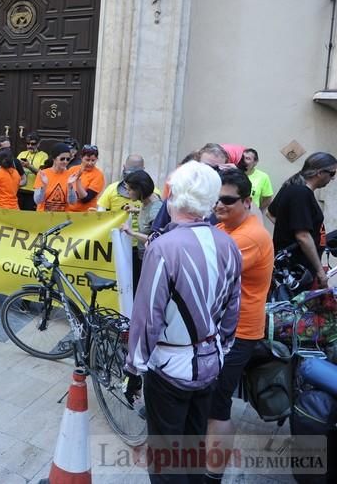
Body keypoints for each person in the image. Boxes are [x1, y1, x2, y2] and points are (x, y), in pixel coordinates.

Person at [124, 161, 241, 484]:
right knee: (193, 446)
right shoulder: (228, 244)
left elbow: (147, 317)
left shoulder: (163, 248)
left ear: (172, 194)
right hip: (210, 361)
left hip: (170, 365)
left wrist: (134, 368)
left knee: (165, 456)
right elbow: (233, 309)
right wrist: (221, 349)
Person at [205, 169, 274, 484]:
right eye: (216, 199)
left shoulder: (249, 236)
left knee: (217, 405)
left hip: (238, 332)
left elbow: (207, 272)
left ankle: (212, 475)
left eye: (227, 200)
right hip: (222, 328)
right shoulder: (228, 225)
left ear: (247, 201)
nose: (219, 205)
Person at [267, 152, 337, 288]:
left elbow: (271, 213)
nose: (333, 179)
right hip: (297, 269)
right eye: (332, 174)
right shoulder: (301, 194)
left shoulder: (290, 188)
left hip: (291, 266)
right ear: (320, 173)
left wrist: (287, 231)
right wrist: (320, 271)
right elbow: (303, 236)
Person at [151, 143, 233, 233]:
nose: (211, 173)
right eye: (206, 167)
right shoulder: (177, 197)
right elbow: (156, 232)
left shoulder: (228, 202)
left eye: (217, 169)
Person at [119, 170, 162, 290]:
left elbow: (156, 239)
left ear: (139, 190)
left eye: (129, 190)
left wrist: (131, 233)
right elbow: (147, 215)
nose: (127, 193)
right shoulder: (149, 199)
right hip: (142, 255)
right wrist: (136, 210)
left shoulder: (155, 210)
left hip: (149, 260)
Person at [34, 143, 76, 212]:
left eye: (68, 159)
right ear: (54, 158)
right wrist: (44, 186)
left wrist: (70, 186)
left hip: (62, 218)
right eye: (62, 159)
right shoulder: (43, 174)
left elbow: (72, 202)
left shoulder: (70, 175)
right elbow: (37, 201)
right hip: (43, 217)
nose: (65, 161)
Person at [67, 144, 105, 212]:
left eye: (93, 160)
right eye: (87, 160)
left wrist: (78, 180)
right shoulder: (72, 170)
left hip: (86, 214)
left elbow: (86, 199)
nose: (90, 163)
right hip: (68, 212)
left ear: (97, 159)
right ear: (81, 158)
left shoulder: (98, 175)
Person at [17, 132, 48, 211]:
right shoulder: (22, 154)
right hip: (20, 189)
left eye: (33, 144)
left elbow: (42, 174)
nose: (30, 146)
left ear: (38, 144)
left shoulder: (43, 155)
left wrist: (29, 166)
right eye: (28, 144)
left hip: (33, 191)